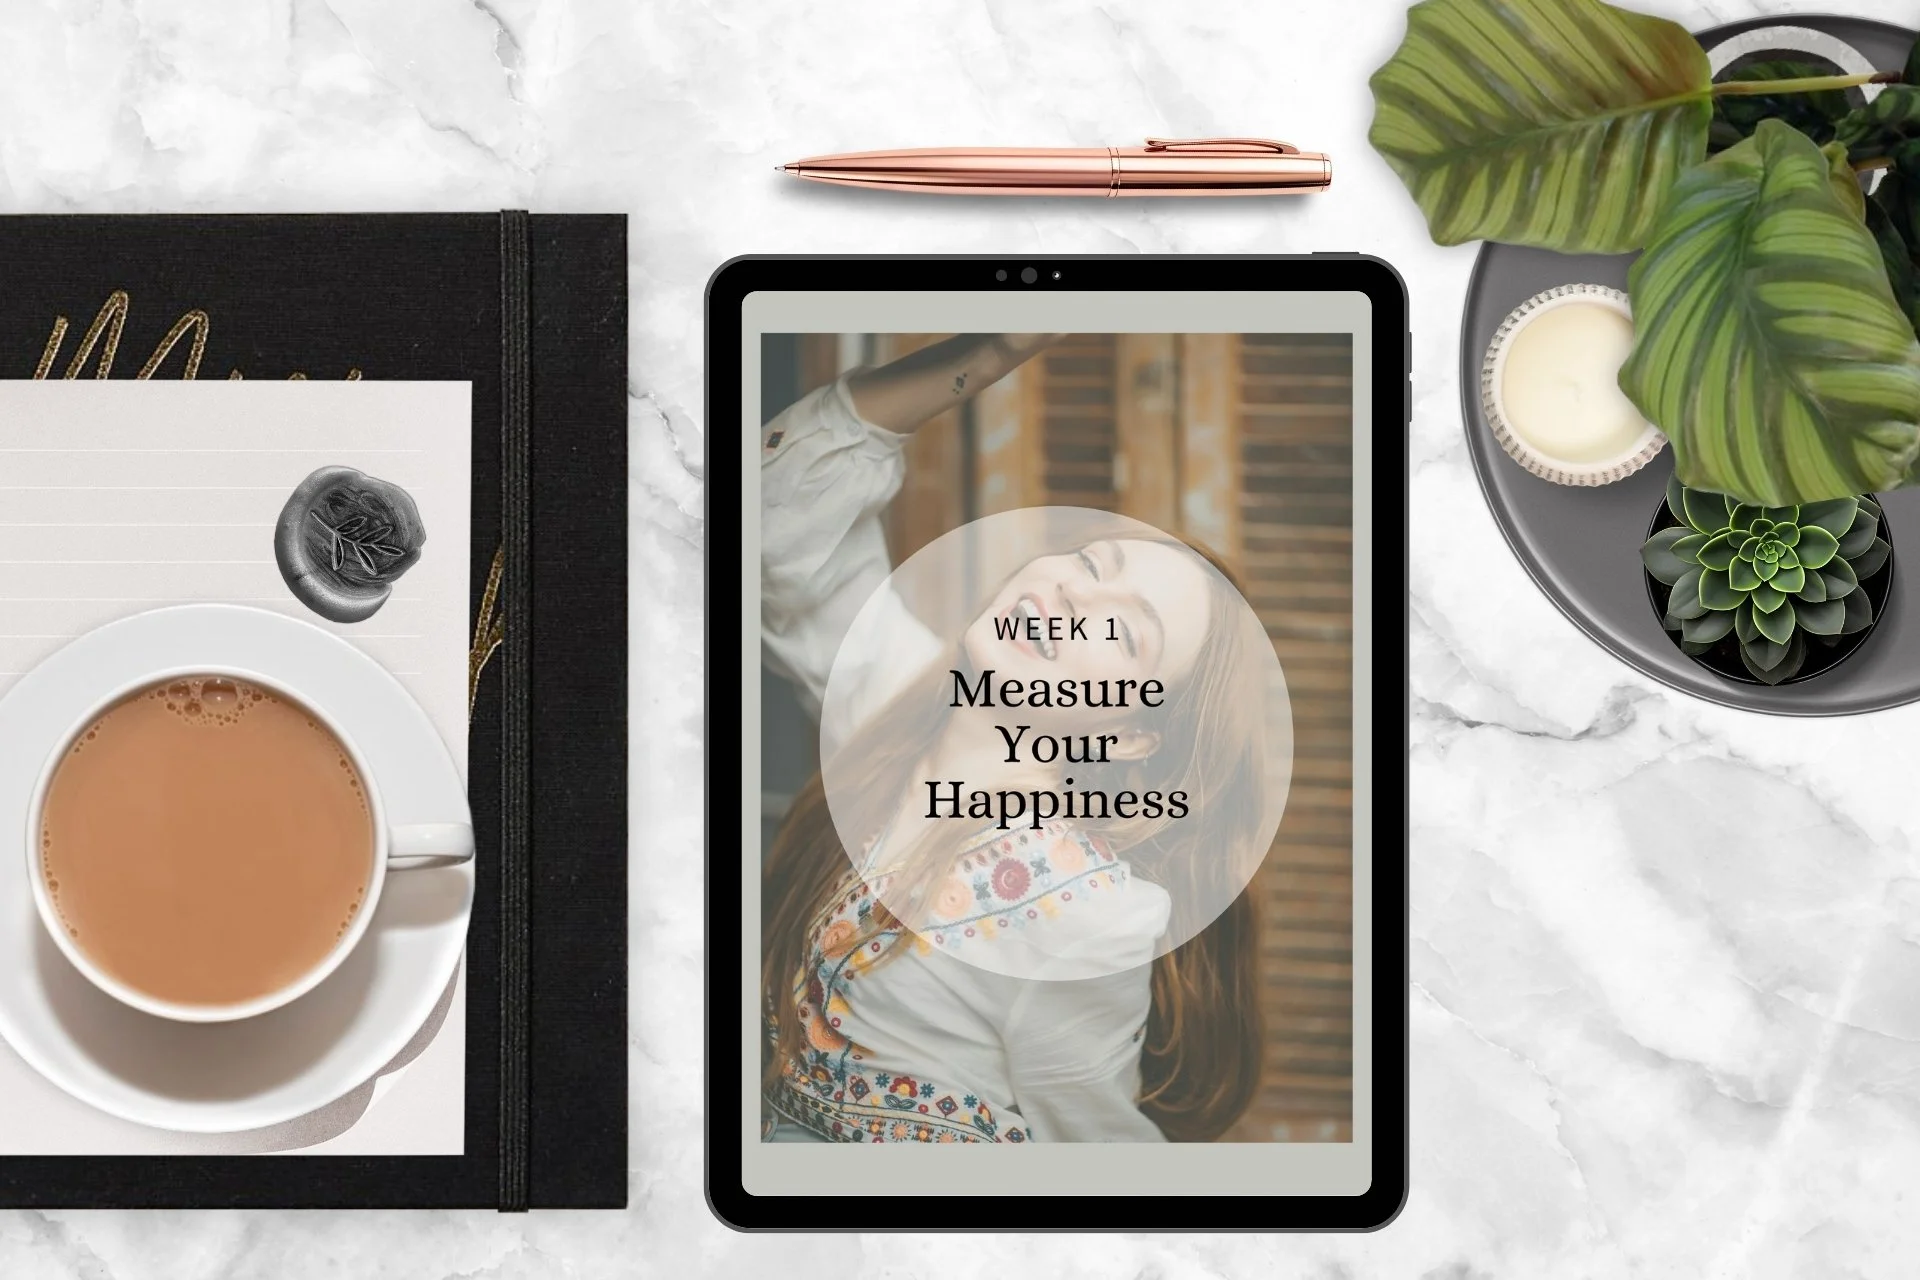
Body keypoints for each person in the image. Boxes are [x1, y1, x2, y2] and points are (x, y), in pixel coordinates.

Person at [761, 334, 1271, 1143]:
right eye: (1091, 562)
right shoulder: (893, 698)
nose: (1073, 594)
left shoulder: (1084, 915)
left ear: (1133, 737)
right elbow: (774, 516)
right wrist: (989, 353)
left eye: (1126, 632)